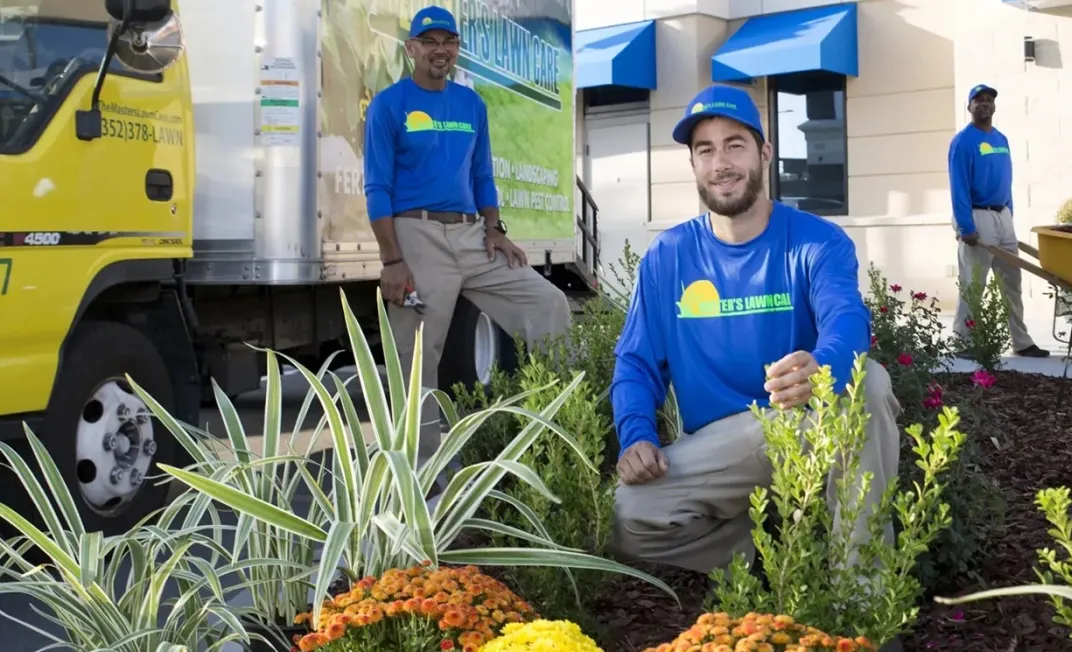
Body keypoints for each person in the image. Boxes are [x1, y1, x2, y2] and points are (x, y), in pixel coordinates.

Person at [607, 84, 900, 584]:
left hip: (803, 424)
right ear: (695, 165)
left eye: (735, 145)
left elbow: (845, 318)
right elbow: (636, 362)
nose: (721, 162)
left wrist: (823, 365)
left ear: (764, 153)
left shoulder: (815, 240)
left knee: (866, 383)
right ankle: (777, 547)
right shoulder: (668, 256)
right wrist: (636, 435)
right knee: (629, 514)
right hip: (723, 445)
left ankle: (862, 603)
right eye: (706, 150)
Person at [363, 6, 571, 465]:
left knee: (548, 303)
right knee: (417, 360)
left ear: (457, 49)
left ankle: (562, 432)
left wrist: (495, 229)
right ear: (412, 49)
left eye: (448, 42)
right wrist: (391, 260)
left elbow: (482, 175)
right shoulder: (389, 105)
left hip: (472, 236)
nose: (440, 51)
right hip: (415, 236)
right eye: (430, 42)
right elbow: (377, 186)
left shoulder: (471, 105)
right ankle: (420, 477)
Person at [948, 84, 1049, 358]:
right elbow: (958, 186)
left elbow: (1007, 179)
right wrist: (965, 225)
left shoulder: (1001, 139)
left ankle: (1021, 341)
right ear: (969, 107)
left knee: (1011, 284)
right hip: (977, 216)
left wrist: (1009, 213)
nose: (984, 103)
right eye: (978, 100)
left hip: (1002, 216)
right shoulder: (962, 142)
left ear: (994, 106)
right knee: (974, 284)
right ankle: (964, 342)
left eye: (989, 99)